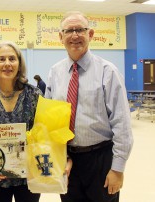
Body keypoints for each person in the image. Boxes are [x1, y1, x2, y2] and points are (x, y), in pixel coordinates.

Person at [45, 11, 134, 202]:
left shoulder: (107, 72)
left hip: (100, 159)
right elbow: (49, 122)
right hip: (67, 160)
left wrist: (117, 169)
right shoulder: (55, 73)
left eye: (80, 30)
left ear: (90, 34)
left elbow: (122, 124)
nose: (75, 35)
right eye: (69, 31)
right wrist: (56, 158)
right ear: (61, 37)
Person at [0, 41, 43, 202]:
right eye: (2, 59)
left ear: (19, 64)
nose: (7, 64)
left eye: (12, 59)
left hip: (30, 175)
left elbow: (44, 132)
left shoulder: (35, 95)